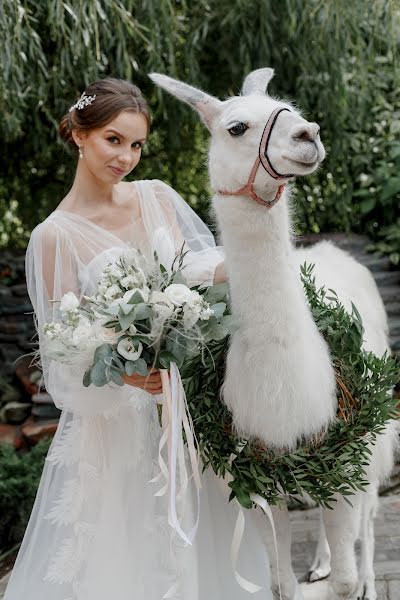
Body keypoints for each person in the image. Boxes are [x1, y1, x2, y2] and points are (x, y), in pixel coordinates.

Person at [4, 78, 272, 599]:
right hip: (114, 431)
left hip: (182, 414)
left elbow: (194, 269)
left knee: (201, 550)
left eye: (136, 144)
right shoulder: (53, 236)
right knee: (125, 560)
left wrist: (248, 261)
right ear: (78, 134)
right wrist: (124, 372)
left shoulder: (155, 198)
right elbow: (60, 355)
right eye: (113, 139)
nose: (126, 156)